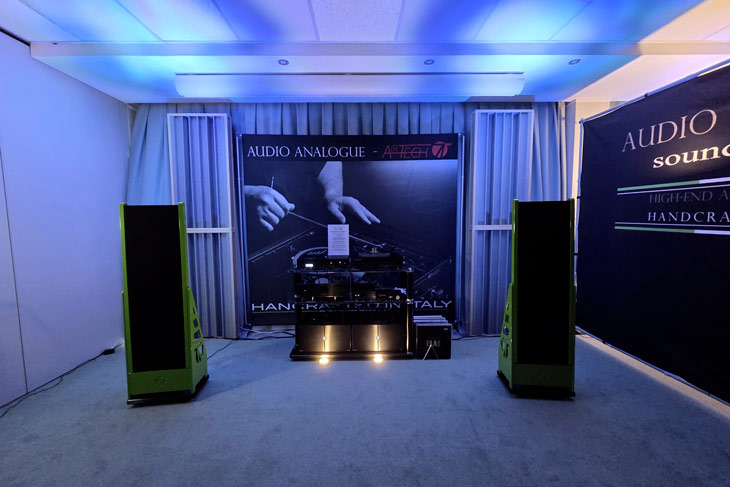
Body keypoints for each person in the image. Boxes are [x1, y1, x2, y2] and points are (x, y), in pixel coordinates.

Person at [244, 160, 380, 231]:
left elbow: (329, 158)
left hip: (308, 227)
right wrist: (245, 195)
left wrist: (333, 195)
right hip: (252, 237)